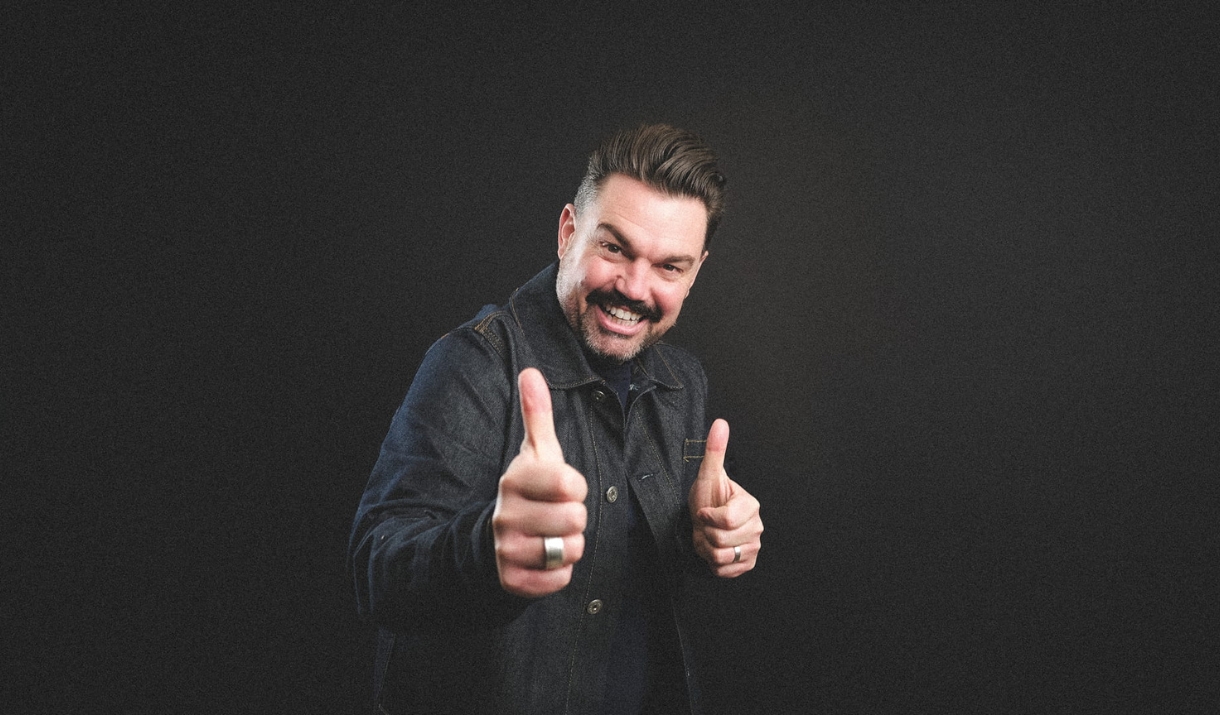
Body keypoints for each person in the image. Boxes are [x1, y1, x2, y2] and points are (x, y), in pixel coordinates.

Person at [349, 123, 764, 714]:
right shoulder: (475, 365)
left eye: (670, 267)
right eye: (614, 248)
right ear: (569, 231)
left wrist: (708, 542)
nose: (634, 288)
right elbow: (376, 569)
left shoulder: (684, 383)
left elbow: (635, 565)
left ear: (695, 272)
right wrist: (486, 551)